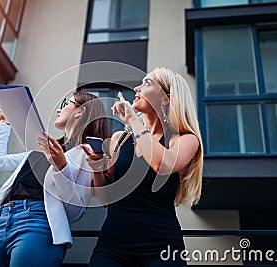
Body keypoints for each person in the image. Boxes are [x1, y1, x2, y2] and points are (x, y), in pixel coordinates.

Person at [0, 91, 109, 267]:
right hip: (1, 223)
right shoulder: (43, 148)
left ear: (80, 111)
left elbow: (75, 211)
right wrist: (4, 124)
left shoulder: (88, 153)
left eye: (66, 103)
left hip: (38, 224)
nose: (59, 109)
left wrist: (61, 167)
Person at [83, 67, 203, 267]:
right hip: (112, 244)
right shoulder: (119, 140)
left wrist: (132, 120)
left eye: (147, 83)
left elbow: (162, 165)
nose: (137, 88)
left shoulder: (184, 140)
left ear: (165, 98)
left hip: (160, 247)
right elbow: (107, 200)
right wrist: (96, 167)